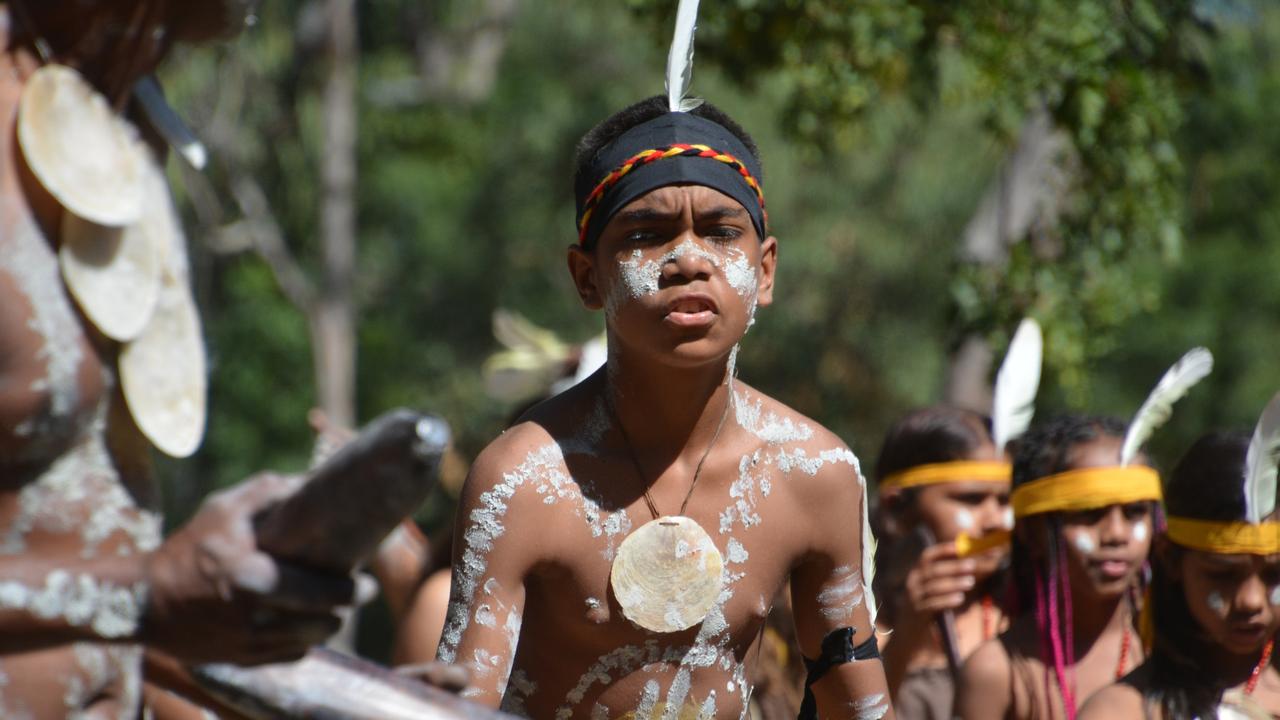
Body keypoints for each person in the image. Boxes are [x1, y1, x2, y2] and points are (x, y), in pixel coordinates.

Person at [438, 29, 894, 713]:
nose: (688, 260)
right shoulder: (524, 482)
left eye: (720, 231)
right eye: (646, 235)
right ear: (586, 278)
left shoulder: (816, 473)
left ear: (764, 271)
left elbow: (859, 707)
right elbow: (452, 709)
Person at [0, 3, 369, 716]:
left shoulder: (121, 119)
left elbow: (89, 580)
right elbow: (133, 594)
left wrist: (343, 689)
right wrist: (149, 591)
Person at [956, 415, 1158, 720]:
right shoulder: (997, 672)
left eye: (1134, 512)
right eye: (1089, 513)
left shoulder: (1177, 649)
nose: (1116, 533)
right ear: (1030, 532)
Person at [1079, 422, 1280, 719]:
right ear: (1171, 559)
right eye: (1223, 575)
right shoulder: (1120, 711)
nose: (1250, 601)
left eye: (1274, 575)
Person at [874, 406, 1012, 719]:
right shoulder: (852, 621)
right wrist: (906, 635)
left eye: (1005, 501)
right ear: (895, 508)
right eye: (971, 499)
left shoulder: (1028, 612)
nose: (998, 521)